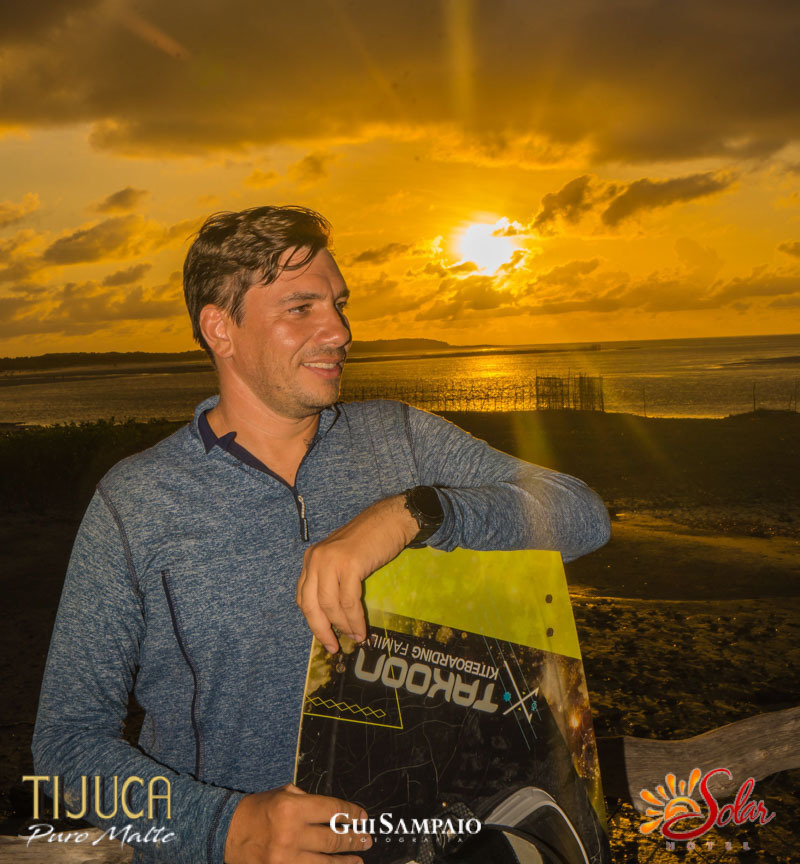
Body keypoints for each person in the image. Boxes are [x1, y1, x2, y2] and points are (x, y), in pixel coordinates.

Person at [33, 205, 610, 864]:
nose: (339, 331)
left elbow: (582, 514)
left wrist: (412, 513)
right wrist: (227, 827)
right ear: (221, 328)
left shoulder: (402, 438)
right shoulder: (137, 502)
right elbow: (65, 746)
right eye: (301, 309)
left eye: (339, 305)